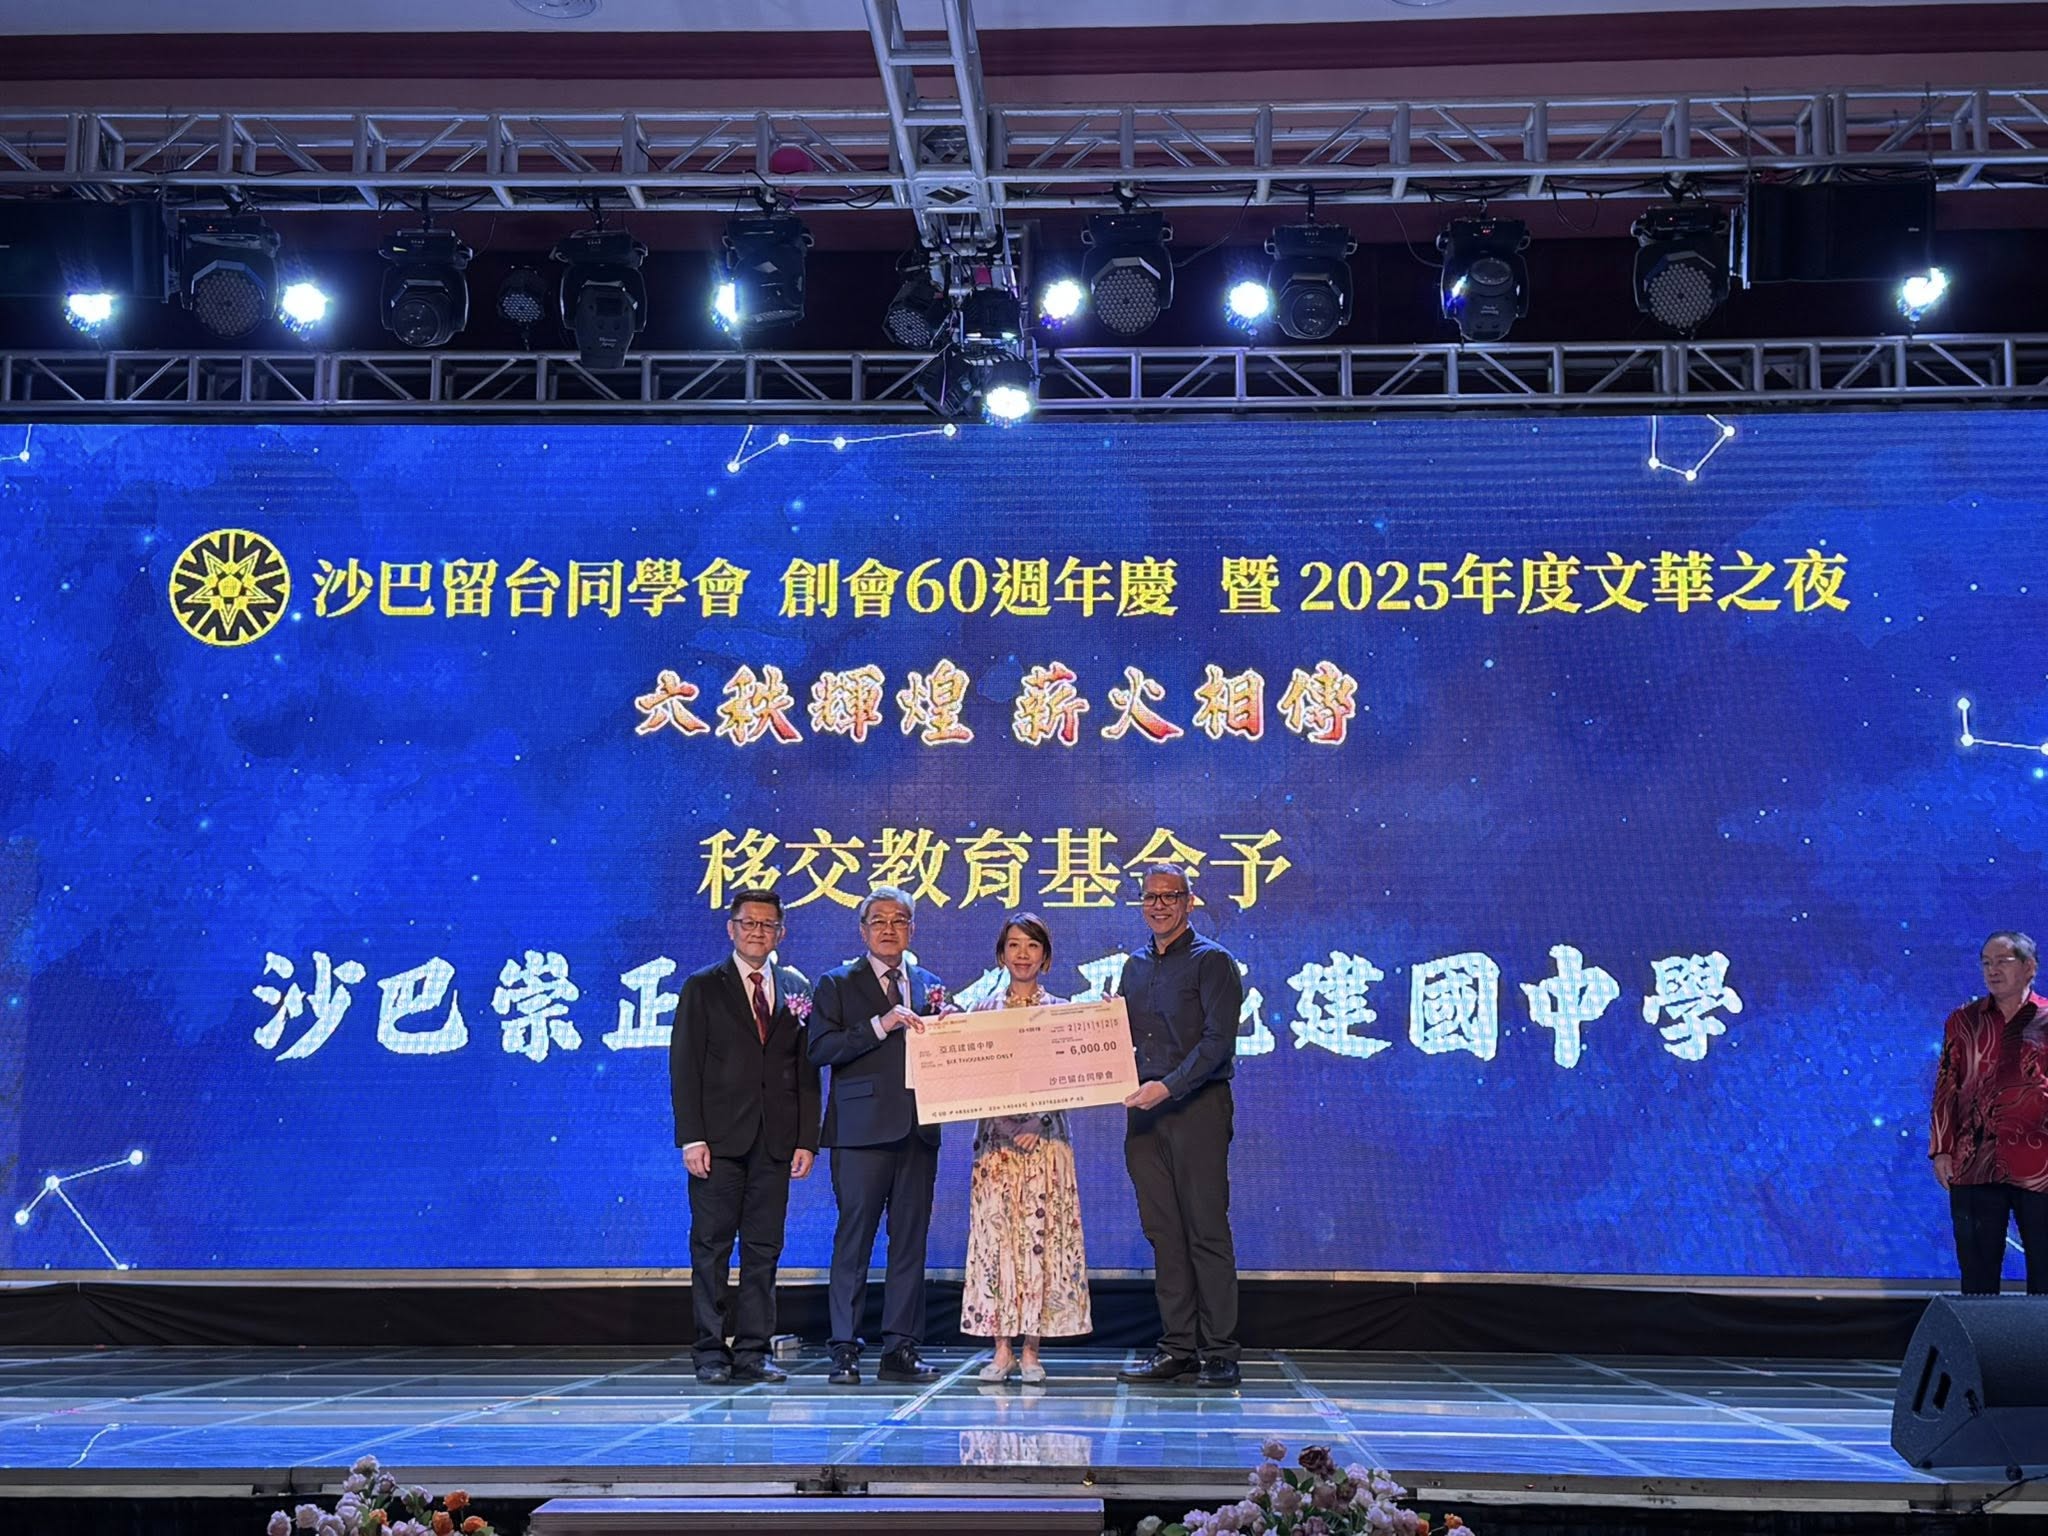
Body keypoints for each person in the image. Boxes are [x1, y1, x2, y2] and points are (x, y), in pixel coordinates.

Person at [670, 888, 821, 1385]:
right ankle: (710, 1351)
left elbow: (806, 1071)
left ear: (781, 932)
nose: (758, 932)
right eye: (749, 923)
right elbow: (685, 1067)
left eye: (767, 924)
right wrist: (692, 1137)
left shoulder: (796, 986)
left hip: (775, 1142)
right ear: (731, 928)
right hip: (718, 1142)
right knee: (711, 1247)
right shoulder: (703, 986)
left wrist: (807, 1139)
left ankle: (754, 1350)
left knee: (763, 1248)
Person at [807, 885, 947, 1386]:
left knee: (910, 1242)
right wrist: (880, 1024)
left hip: (917, 1130)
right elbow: (820, 1049)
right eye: (879, 921)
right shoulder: (837, 983)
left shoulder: (930, 984)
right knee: (855, 1240)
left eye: (899, 920)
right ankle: (844, 1348)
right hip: (860, 1133)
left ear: (912, 929)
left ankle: (900, 1348)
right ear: (863, 930)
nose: (890, 929)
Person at [1115, 862, 1245, 1388]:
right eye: (1151, 897)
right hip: (1144, 1116)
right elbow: (1119, 1038)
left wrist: (1168, 1087)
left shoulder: (1213, 962)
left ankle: (1220, 1351)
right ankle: (1178, 1347)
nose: (1160, 905)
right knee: (1164, 1234)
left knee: (1205, 1231)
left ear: (1190, 902)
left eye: (1171, 896)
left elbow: (1217, 1044)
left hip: (1197, 1109)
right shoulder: (1133, 967)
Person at [960, 912, 1092, 1383]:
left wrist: (1039, 1118)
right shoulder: (978, 1013)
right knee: (997, 1240)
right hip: (996, 1146)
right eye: (1014, 945)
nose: (1022, 954)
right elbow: (967, 1078)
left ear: (1046, 958)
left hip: (1047, 1142)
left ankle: (1032, 1349)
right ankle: (1001, 1349)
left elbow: (1074, 1077)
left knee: (1041, 1238)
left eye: (1032, 946)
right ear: (1001, 954)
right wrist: (1004, 1117)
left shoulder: (1062, 1012)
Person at [1930, 930, 2048, 1294]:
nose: (1992, 970)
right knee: (1978, 1277)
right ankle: (1980, 1335)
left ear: (2029, 968)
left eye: (2002, 962)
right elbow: (1947, 1086)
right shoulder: (1964, 1021)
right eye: (1986, 963)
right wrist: (1942, 1150)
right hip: (1974, 1162)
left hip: (2041, 1165)